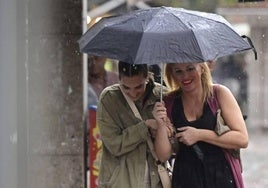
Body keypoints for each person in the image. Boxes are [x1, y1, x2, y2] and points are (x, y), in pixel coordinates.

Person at [152, 62, 248, 188]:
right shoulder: (169, 103)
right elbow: (163, 155)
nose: (185, 76)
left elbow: (242, 139)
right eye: (178, 71)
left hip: (222, 176)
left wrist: (199, 135)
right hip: (186, 178)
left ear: (202, 68)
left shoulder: (219, 94)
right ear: (172, 74)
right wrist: (160, 124)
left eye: (190, 68)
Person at [97, 61, 168, 188]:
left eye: (139, 87)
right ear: (118, 79)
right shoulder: (109, 99)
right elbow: (114, 145)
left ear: (147, 77)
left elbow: (174, 146)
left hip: (156, 180)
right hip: (120, 181)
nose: (133, 93)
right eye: (126, 88)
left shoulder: (163, 96)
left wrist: (162, 130)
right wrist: (145, 127)